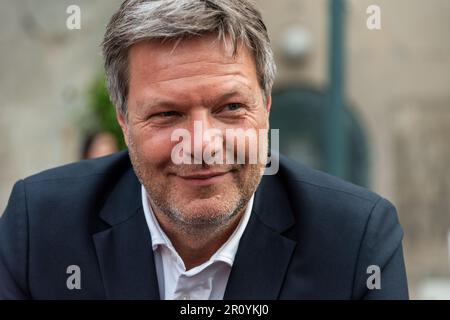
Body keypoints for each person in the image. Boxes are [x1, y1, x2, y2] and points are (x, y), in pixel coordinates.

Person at [0, 0, 408, 299]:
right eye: (167, 114)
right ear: (124, 122)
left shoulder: (357, 240)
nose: (200, 145)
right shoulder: (38, 225)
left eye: (230, 108)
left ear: (265, 108)